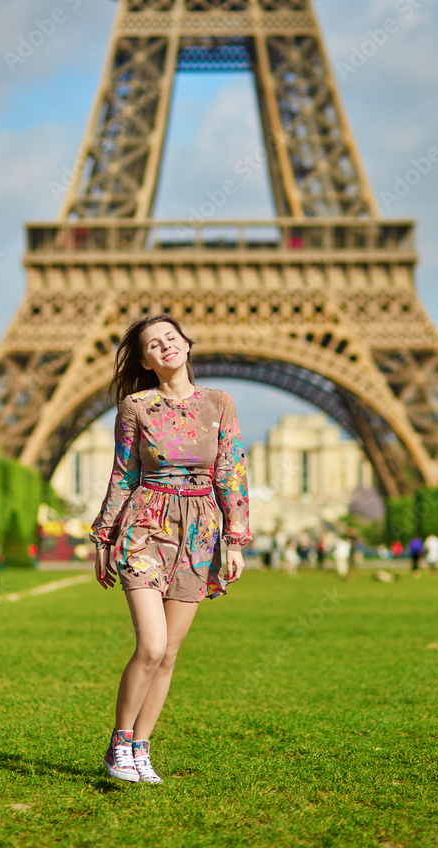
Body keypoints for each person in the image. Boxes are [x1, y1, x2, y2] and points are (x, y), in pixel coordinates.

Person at [89, 315, 250, 785]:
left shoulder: (219, 403)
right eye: (153, 345)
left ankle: (141, 748)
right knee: (151, 644)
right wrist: (103, 534)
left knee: (171, 652)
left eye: (171, 339)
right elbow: (123, 474)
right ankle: (119, 742)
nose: (165, 348)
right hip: (147, 523)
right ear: (145, 360)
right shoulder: (136, 406)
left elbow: (231, 470)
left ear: (186, 344)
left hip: (199, 530)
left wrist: (235, 541)